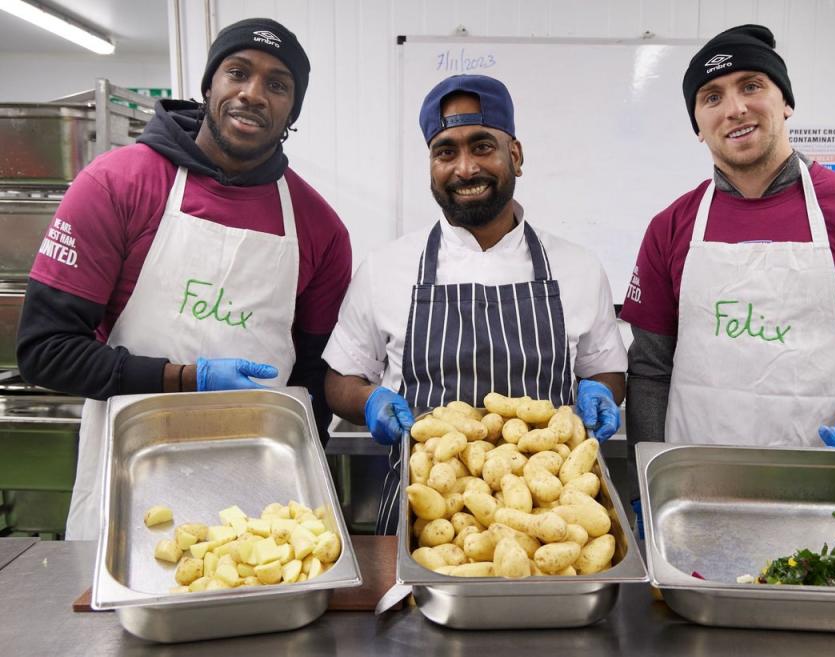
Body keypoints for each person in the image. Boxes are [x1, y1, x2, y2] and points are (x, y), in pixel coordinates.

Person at [16, 18, 352, 540]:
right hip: (128, 493)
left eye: (277, 84)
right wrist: (188, 380)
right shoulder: (117, 183)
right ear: (209, 84)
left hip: (261, 511)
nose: (252, 93)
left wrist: (309, 493)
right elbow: (46, 350)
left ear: (293, 110)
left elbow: (314, 381)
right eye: (237, 72)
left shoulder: (319, 228)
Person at [622, 24, 835, 513]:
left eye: (752, 86)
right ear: (698, 126)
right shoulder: (670, 227)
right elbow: (650, 371)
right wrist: (650, 483)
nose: (735, 108)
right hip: (696, 496)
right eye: (711, 97)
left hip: (826, 492)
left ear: (785, 102)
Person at [323, 74, 627, 534]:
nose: (465, 169)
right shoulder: (385, 268)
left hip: (548, 519)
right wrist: (369, 402)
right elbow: (340, 379)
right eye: (446, 152)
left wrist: (600, 392)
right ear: (431, 165)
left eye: (482, 146)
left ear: (516, 156)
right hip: (423, 519)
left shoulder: (578, 267)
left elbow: (605, 370)